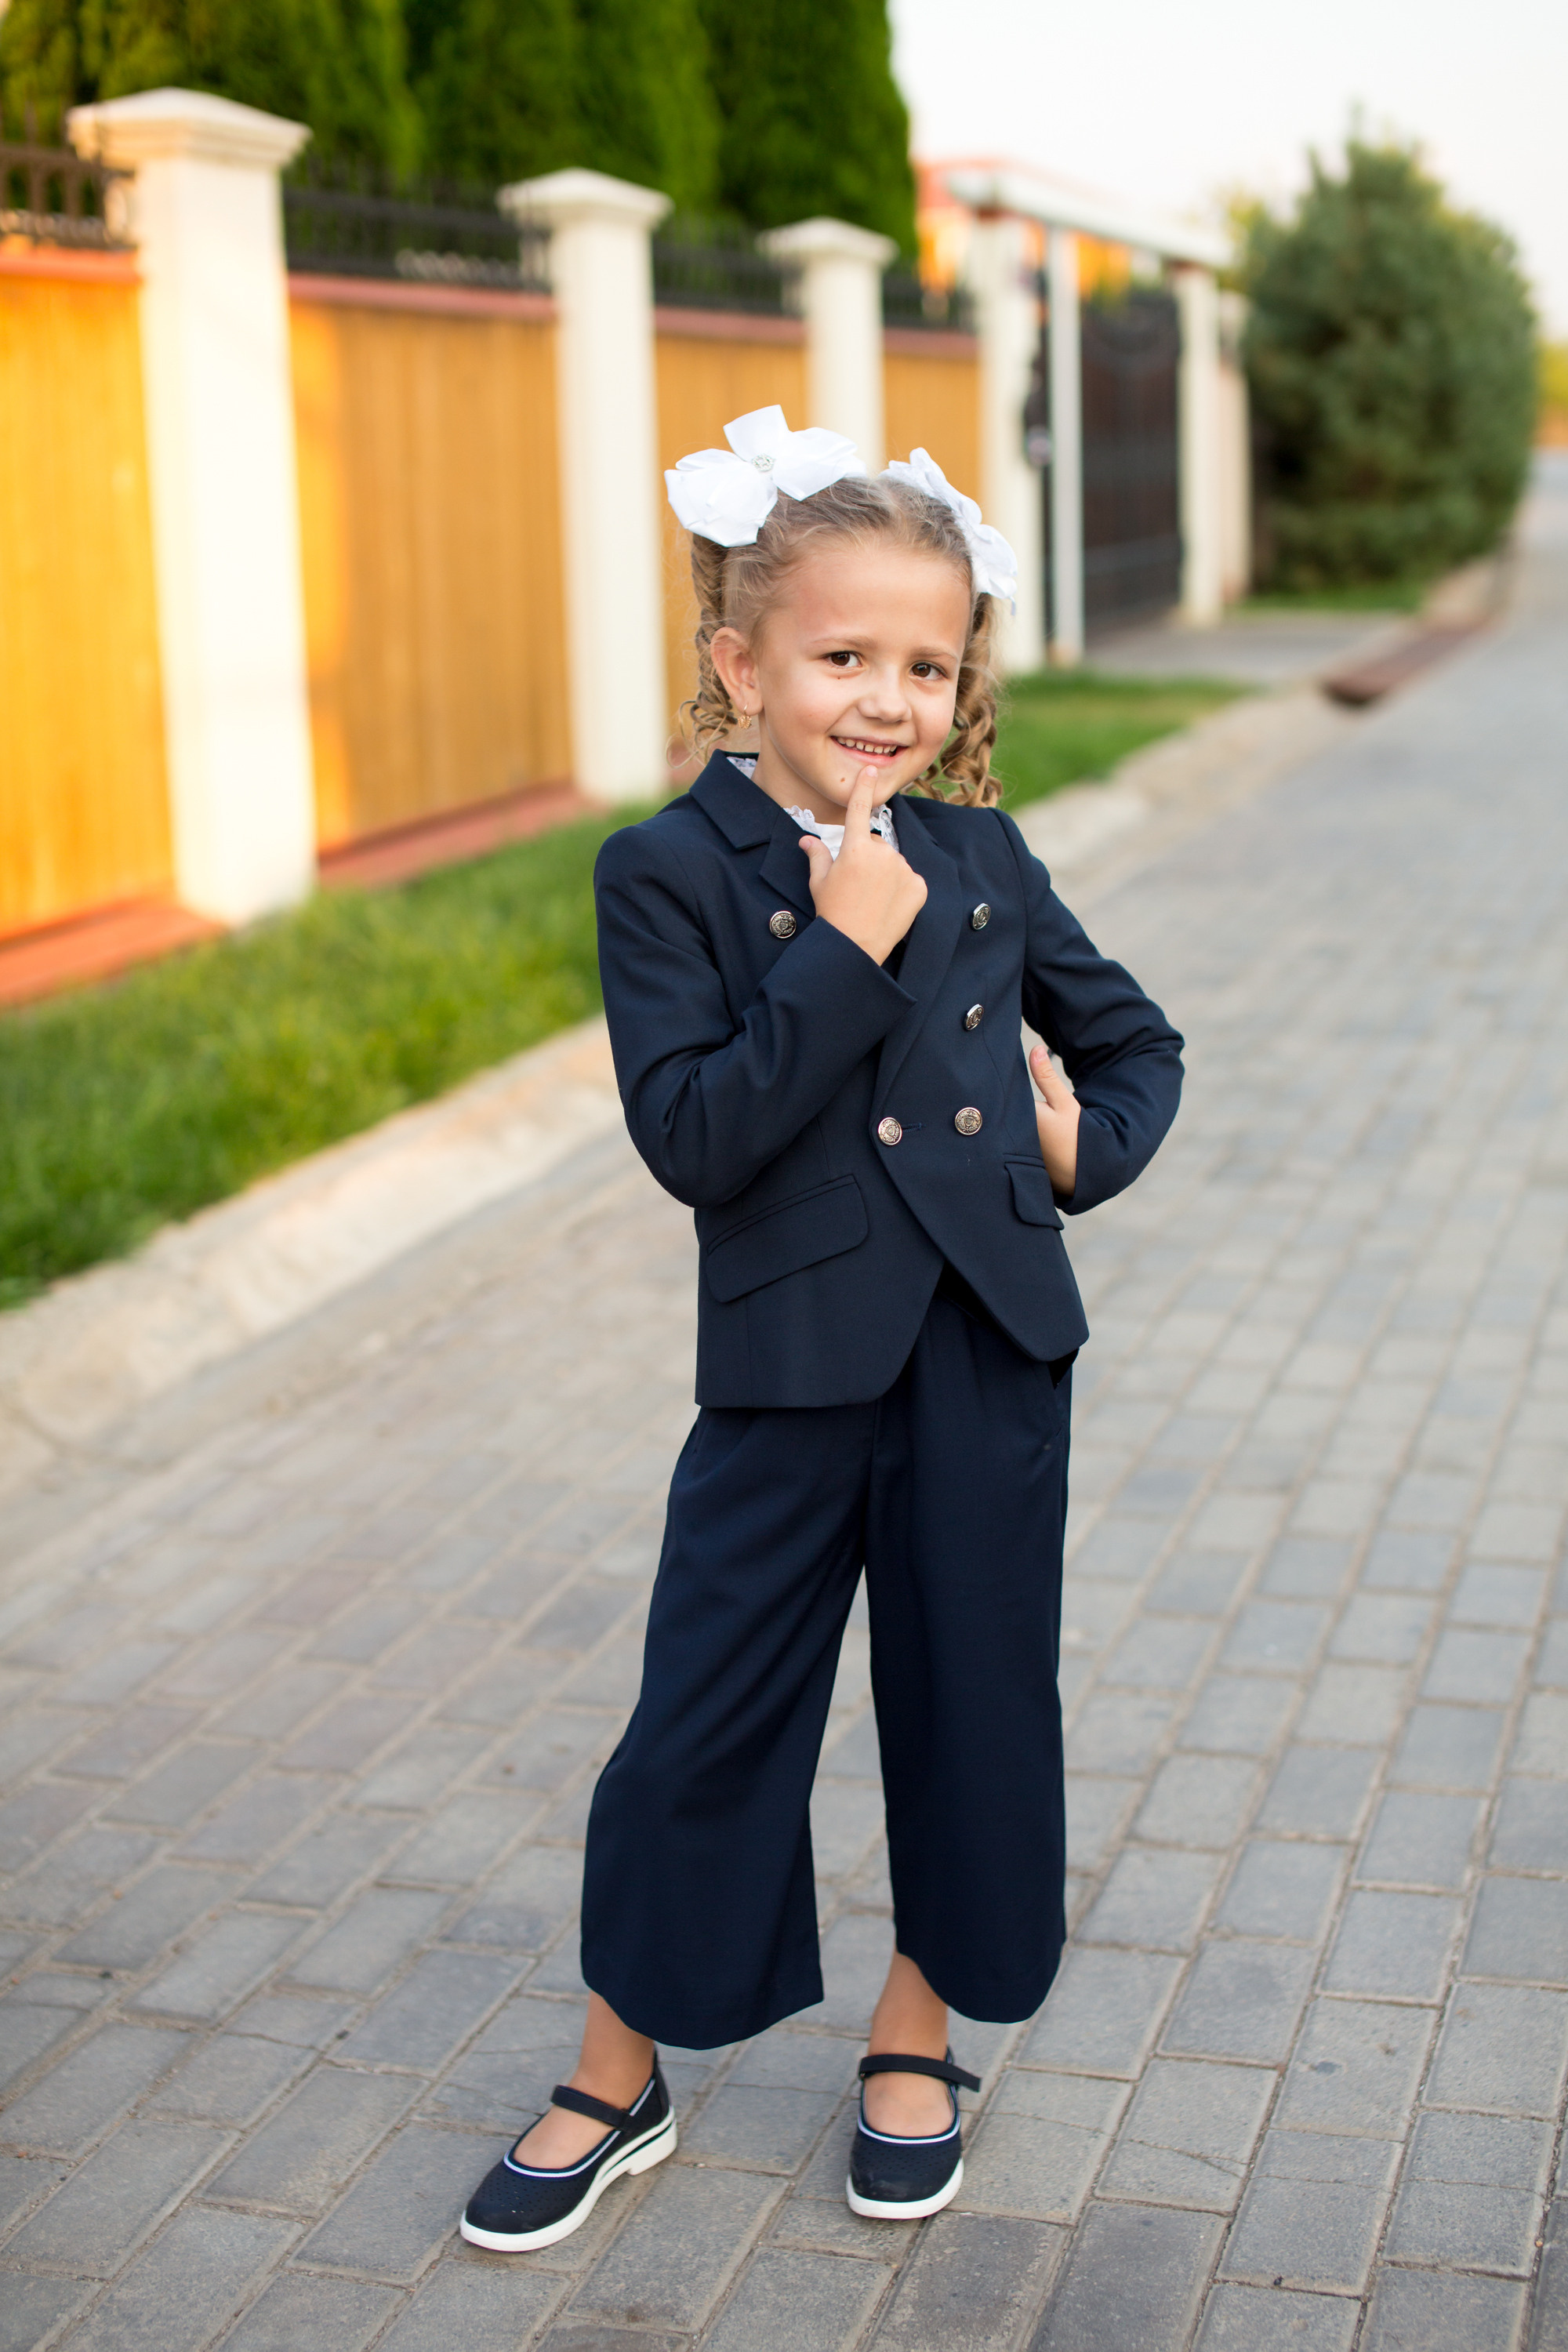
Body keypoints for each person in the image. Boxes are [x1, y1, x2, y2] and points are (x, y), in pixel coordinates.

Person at [462, 408, 1183, 2252]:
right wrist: (843, 942)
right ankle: (617, 2072)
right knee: (701, 1718)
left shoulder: (983, 854)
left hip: (986, 1356)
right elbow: (695, 1136)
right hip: (788, 1375)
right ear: (740, 664)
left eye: (924, 666)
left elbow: (1135, 1046)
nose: (886, 698)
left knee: (972, 1706)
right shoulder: (667, 869)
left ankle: (915, 2037)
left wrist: (1073, 1147)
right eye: (843, 655)